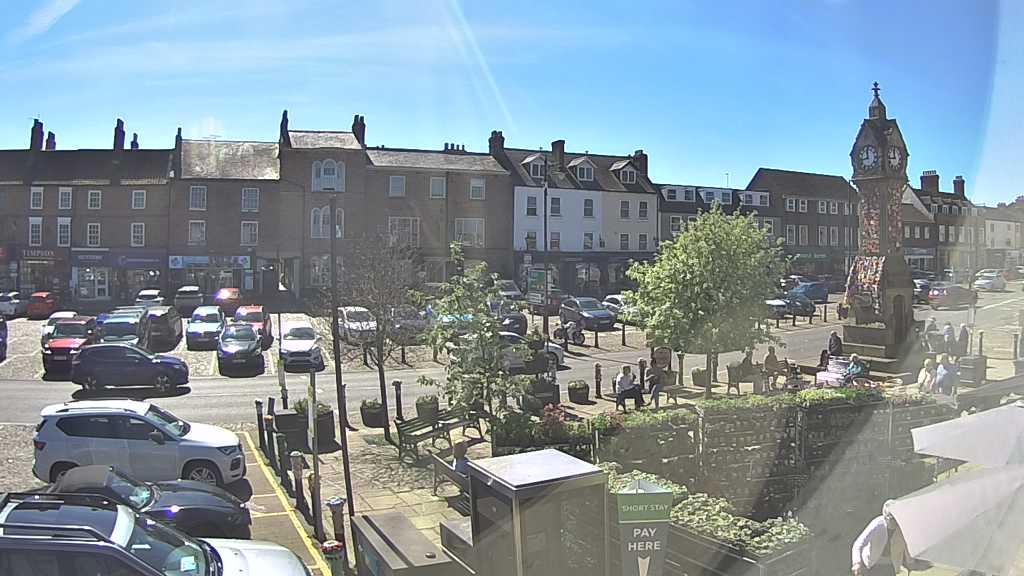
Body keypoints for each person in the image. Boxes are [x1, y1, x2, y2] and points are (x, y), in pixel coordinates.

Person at [852, 500, 909, 576]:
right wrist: (857, 563)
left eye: (896, 518)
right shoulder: (877, 524)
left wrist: (910, 561)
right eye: (892, 519)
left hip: (889, 565)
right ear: (886, 517)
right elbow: (858, 544)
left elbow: (907, 543)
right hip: (871, 563)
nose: (894, 522)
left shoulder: (903, 526)